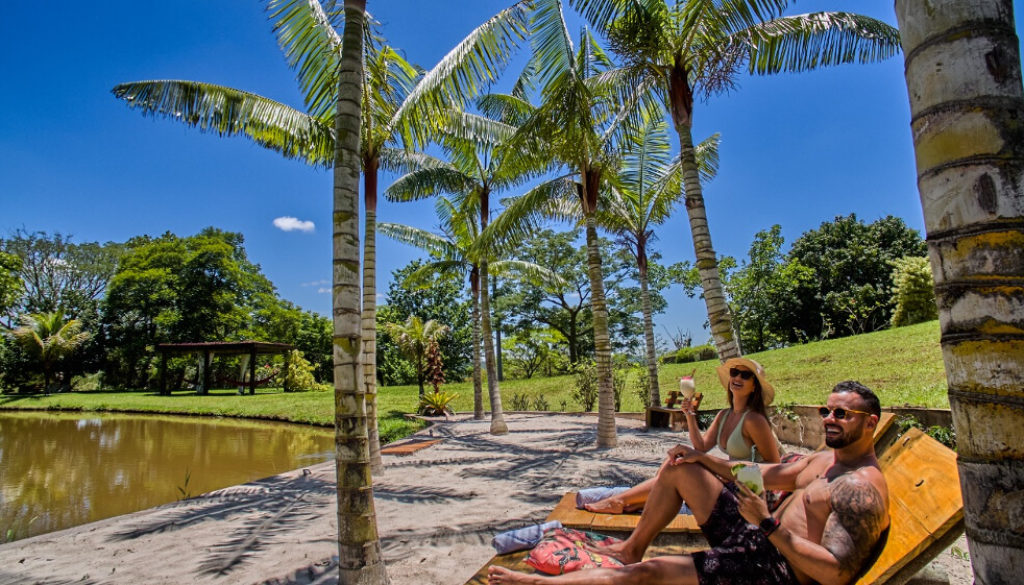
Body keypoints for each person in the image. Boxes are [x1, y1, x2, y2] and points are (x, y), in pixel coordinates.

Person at [490, 381, 890, 585]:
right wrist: (702, 459)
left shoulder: (859, 489)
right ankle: (630, 548)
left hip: (771, 566)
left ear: (871, 422)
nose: (830, 419)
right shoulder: (823, 461)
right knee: (682, 468)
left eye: (843, 414)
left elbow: (836, 574)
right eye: (827, 410)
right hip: (756, 532)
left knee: (652, 574)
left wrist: (769, 524)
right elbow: (758, 475)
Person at [585, 358, 782, 514]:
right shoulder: (725, 415)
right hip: (728, 479)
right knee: (677, 461)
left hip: (745, 491)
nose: (737, 378)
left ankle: (620, 500)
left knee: (682, 468)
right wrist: (690, 416)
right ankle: (634, 501)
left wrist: (724, 474)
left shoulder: (754, 420)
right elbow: (701, 446)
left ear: (754, 386)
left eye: (745, 375)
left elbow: (775, 467)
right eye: (734, 372)